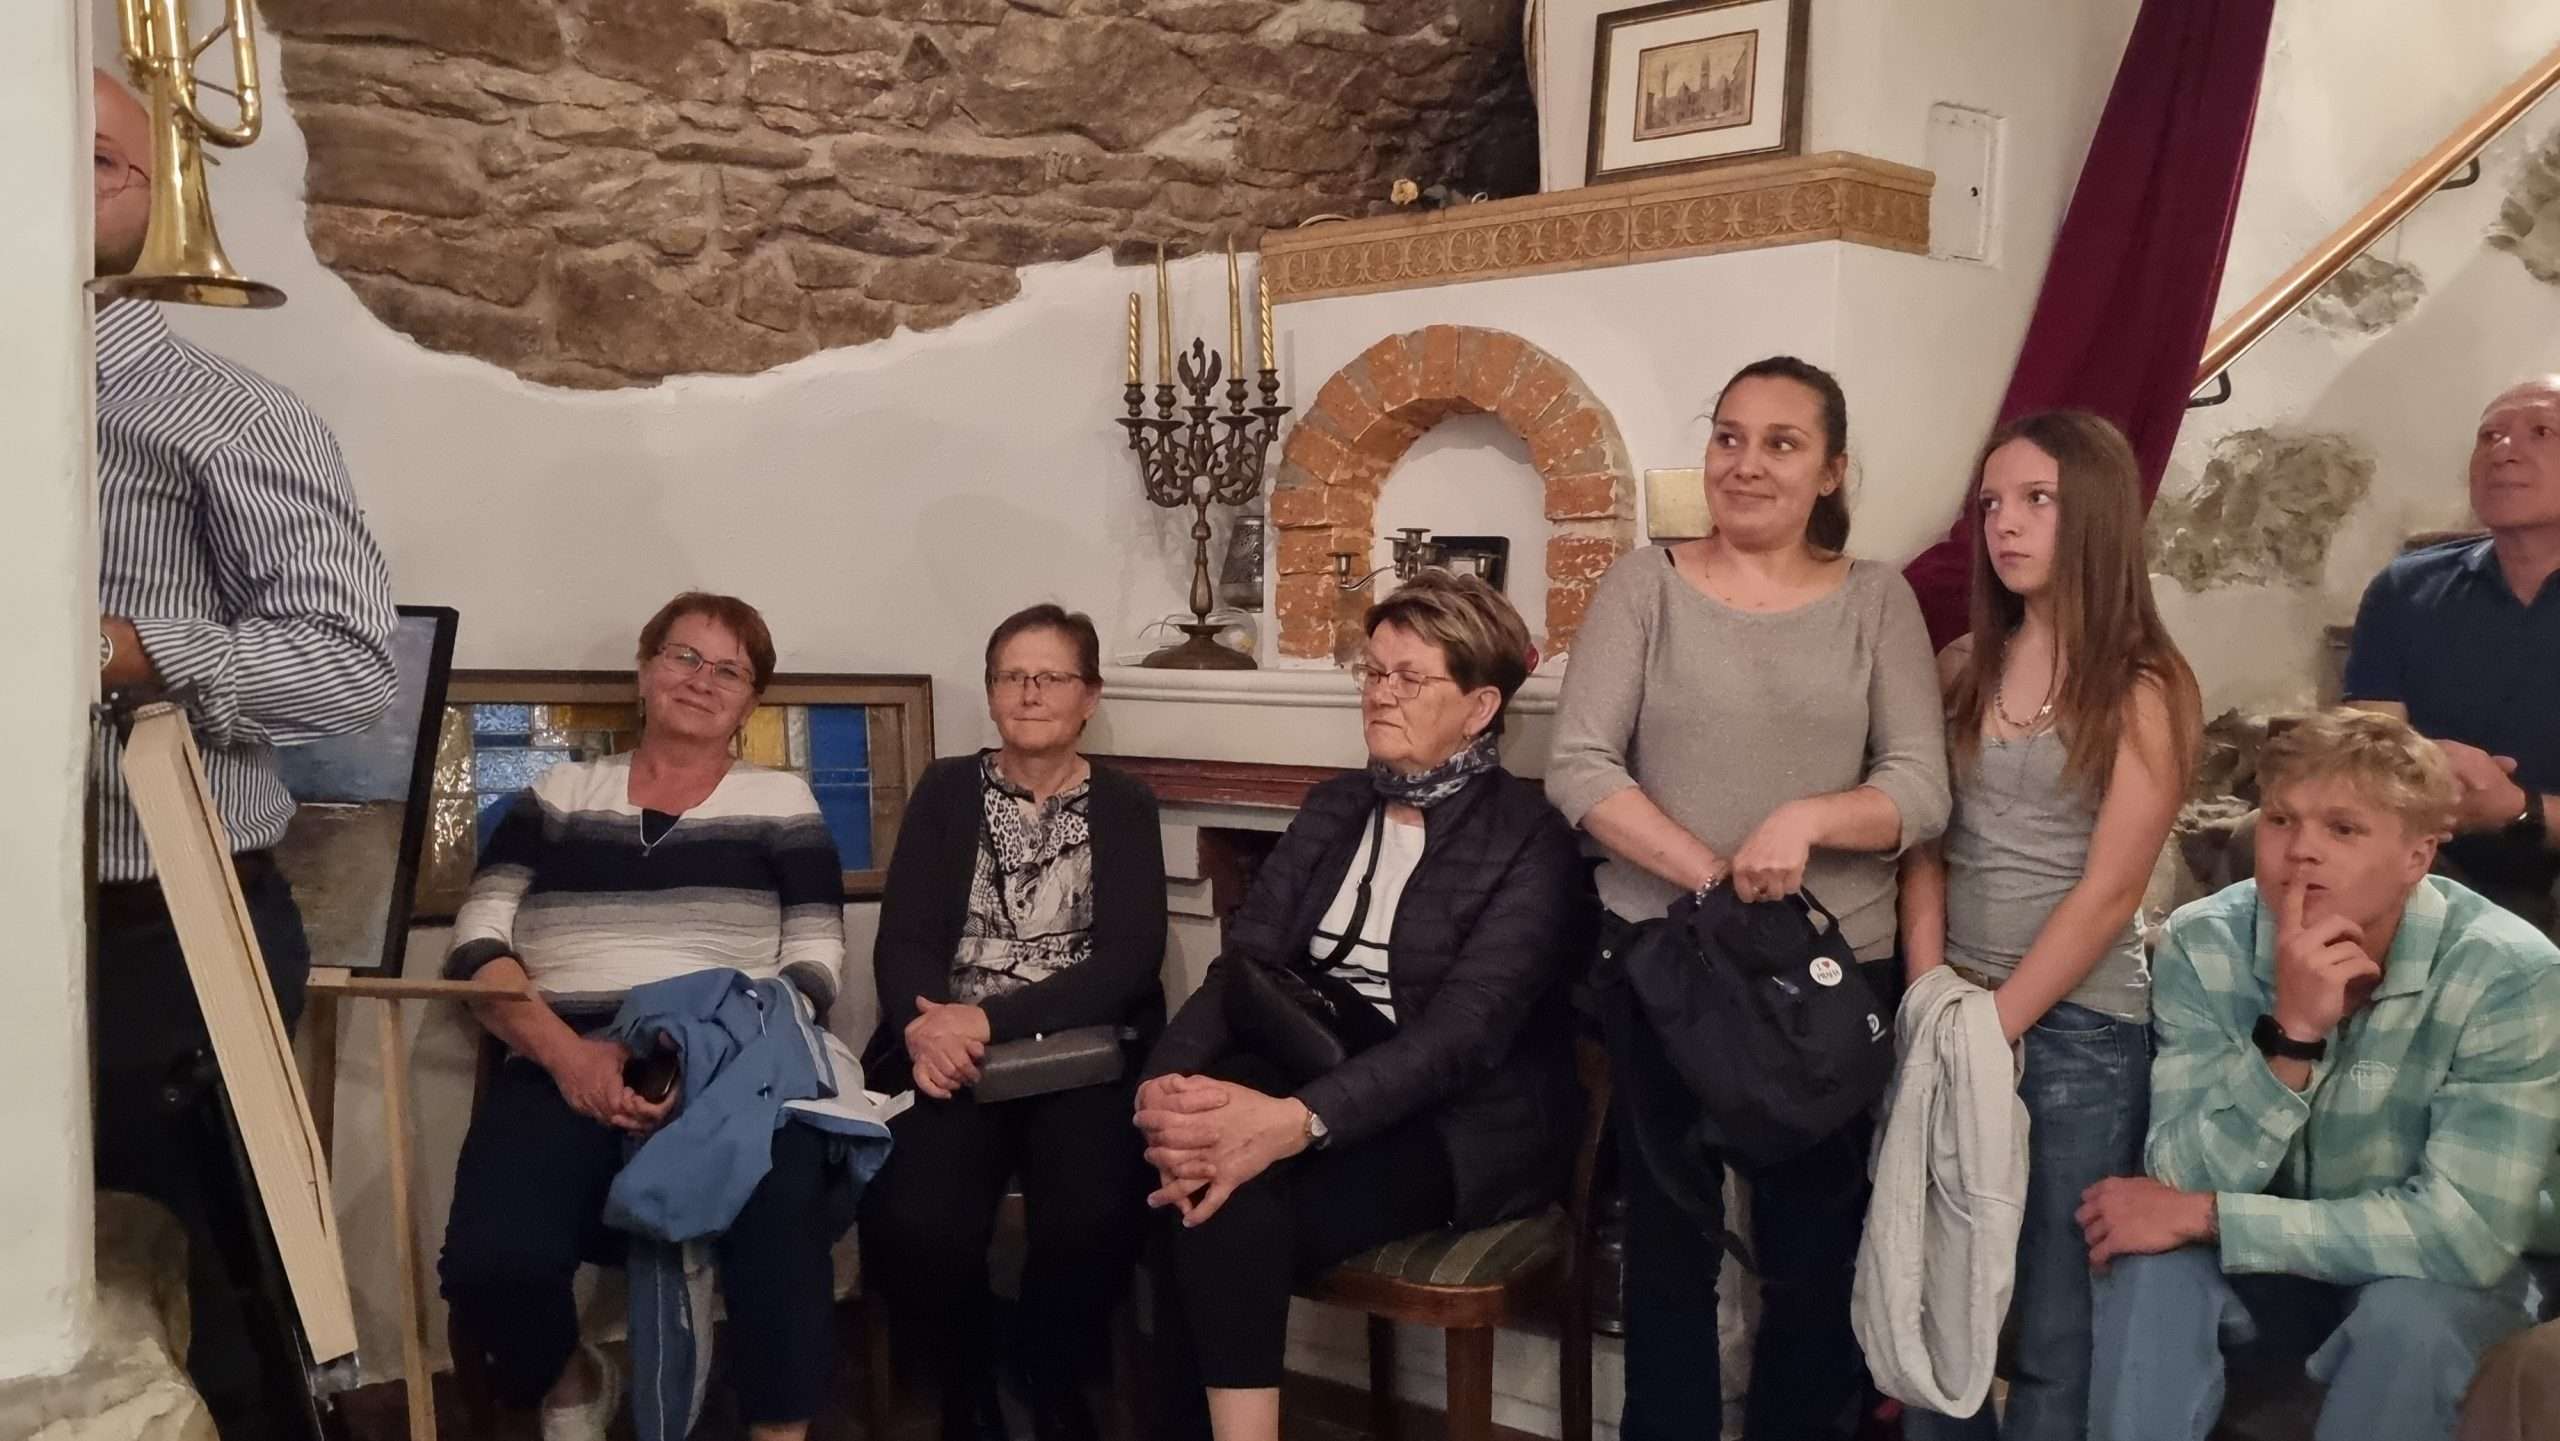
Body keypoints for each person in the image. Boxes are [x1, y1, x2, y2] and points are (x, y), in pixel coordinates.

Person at [1545, 355, 1950, 1441]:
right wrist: (1713, 876)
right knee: (1669, 1253)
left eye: (1781, 442)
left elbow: (1921, 786)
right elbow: (1578, 764)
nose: (1746, 463)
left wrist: (1807, 818)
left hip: (1826, 979)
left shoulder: (1877, 599)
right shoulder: (1643, 586)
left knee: (1813, 1257)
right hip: (1666, 964)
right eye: (1728, 436)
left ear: (1831, 470)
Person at [85, 69, 397, 1438]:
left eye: (95, 160)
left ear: (157, 196)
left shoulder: (233, 417)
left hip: (165, 927)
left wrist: (134, 650)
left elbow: (349, 668)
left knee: (224, 1300)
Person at [1137, 572, 1582, 1441]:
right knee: (1187, 1162)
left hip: (1456, 1123)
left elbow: (1461, 1037)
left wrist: (1292, 1122)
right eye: (1373, 671)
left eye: (1410, 677)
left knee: (1220, 1198)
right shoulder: (1336, 806)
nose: (1380, 693)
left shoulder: (1531, 839)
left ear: (1481, 705)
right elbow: (1245, 966)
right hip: (1314, 1063)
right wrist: (1166, 1082)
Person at [2081, 708, 2560, 1441]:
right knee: (2149, 1267)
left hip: (2444, 1275)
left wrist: (2216, 1217)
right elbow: (2175, 1174)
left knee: (2407, 1324)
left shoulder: (2510, 973)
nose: (2300, 850)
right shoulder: (2205, 941)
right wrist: (2291, 1040)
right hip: (2280, 1259)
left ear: (2417, 856)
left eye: (2343, 828)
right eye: (2281, 820)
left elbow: (2463, 1235)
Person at [437, 593, 848, 1441]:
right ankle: (573, 1380)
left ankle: (778, 1430)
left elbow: (814, 964)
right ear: (645, 668)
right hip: (565, 1061)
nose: (702, 679)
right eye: (683, 656)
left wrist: (710, 1061)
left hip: (734, 1073)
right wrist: (568, 1057)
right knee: (490, 1262)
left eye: (729, 669)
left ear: (751, 700)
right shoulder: (559, 793)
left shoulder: (782, 802)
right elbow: (476, 943)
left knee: (785, 1220)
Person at [1897, 411, 2201, 1440]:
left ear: (2098, 514)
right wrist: (1932, 996)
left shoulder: (2144, 684)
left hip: (2078, 1030)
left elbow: (2112, 890)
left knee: (2054, 1323)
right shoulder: (1961, 664)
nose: (2006, 524)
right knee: (1941, 1301)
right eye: (1992, 503)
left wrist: (1999, 1024)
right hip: (1957, 1007)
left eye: (2037, 500)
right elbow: (1926, 840)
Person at [858, 605, 1168, 1441]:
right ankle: (967, 1383)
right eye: (1011, 676)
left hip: (1079, 1054)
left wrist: (983, 1020)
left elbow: (1128, 962)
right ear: (993, 691)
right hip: (948, 1053)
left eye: (1051, 676)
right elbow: (904, 938)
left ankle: (1049, 1367)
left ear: (1089, 695)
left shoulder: (1127, 804)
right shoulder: (945, 790)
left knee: (1098, 1211)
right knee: (915, 1216)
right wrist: (926, 1029)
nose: (1030, 692)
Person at [2342, 375, 2560, 936]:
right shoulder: (2406, 588)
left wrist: (2519, 808)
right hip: (2434, 852)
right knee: (2267, 838)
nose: (2503, 451)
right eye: (2489, 436)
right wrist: (2426, 782)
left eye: (2541, 431)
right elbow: (2370, 749)